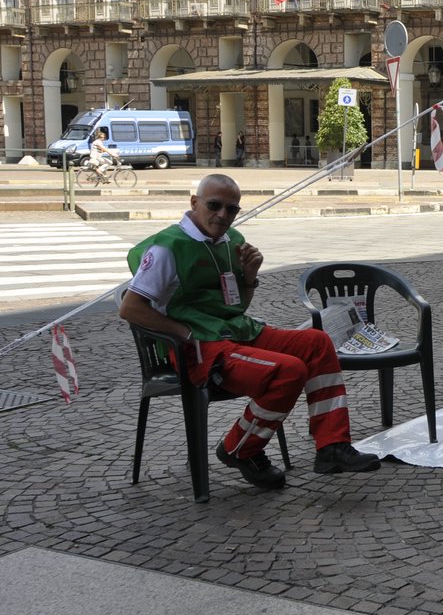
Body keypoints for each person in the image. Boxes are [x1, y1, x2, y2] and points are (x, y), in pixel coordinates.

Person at [119, 173, 381, 488]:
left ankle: (332, 446)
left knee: (317, 342)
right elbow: (130, 308)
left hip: (235, 331)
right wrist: (184, 332)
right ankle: (239, 449)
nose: (222, 215)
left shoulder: (231, 243)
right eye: (214, 206)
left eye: (232, 210)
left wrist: (249, 276)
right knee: (288, 370)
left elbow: (236, 306)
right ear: (194, 203)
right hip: (200, 347)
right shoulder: (167, 248)